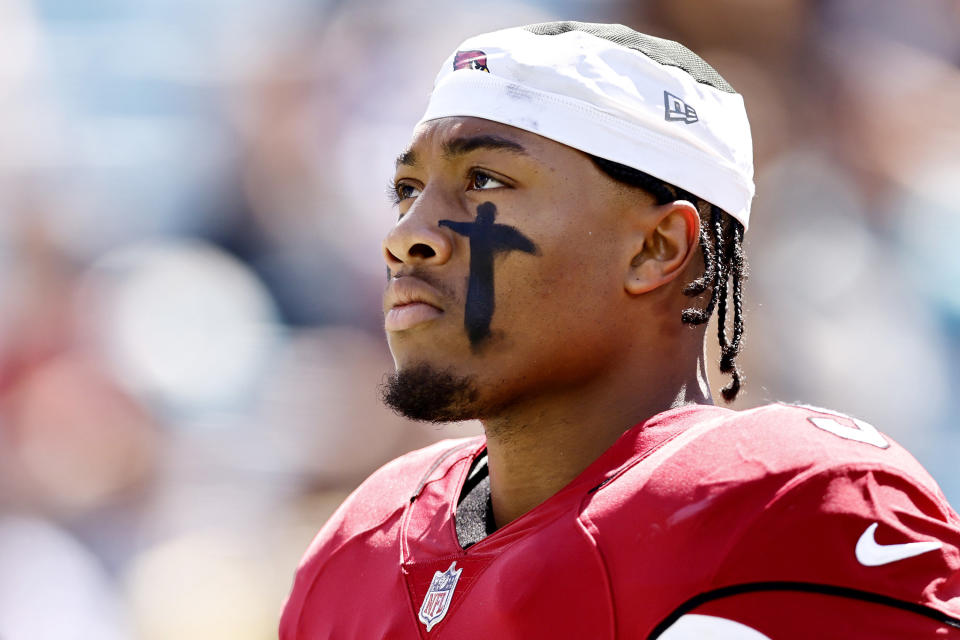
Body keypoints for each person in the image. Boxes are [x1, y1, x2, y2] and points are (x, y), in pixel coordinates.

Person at [279, 21, 960, 639]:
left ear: (656, 248)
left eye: (484, 180)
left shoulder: (794, 506)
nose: (406, 237)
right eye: (406, 190)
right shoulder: (358, 543)